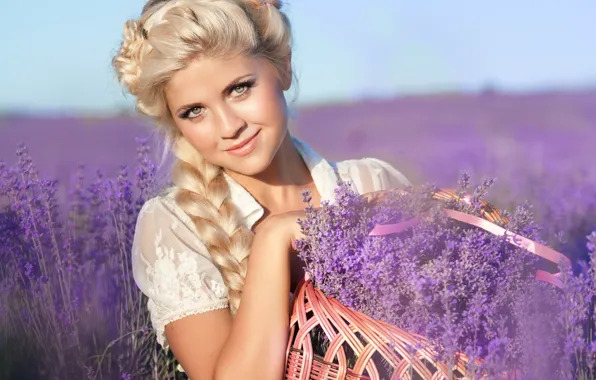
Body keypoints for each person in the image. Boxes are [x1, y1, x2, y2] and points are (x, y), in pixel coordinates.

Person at [112, 0, 411, 379]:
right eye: (194, 111)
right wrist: (274, 237)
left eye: (239, 89)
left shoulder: (372, 182)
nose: (228, 125)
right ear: (175, 122)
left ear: (282, 66)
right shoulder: (174, 226)